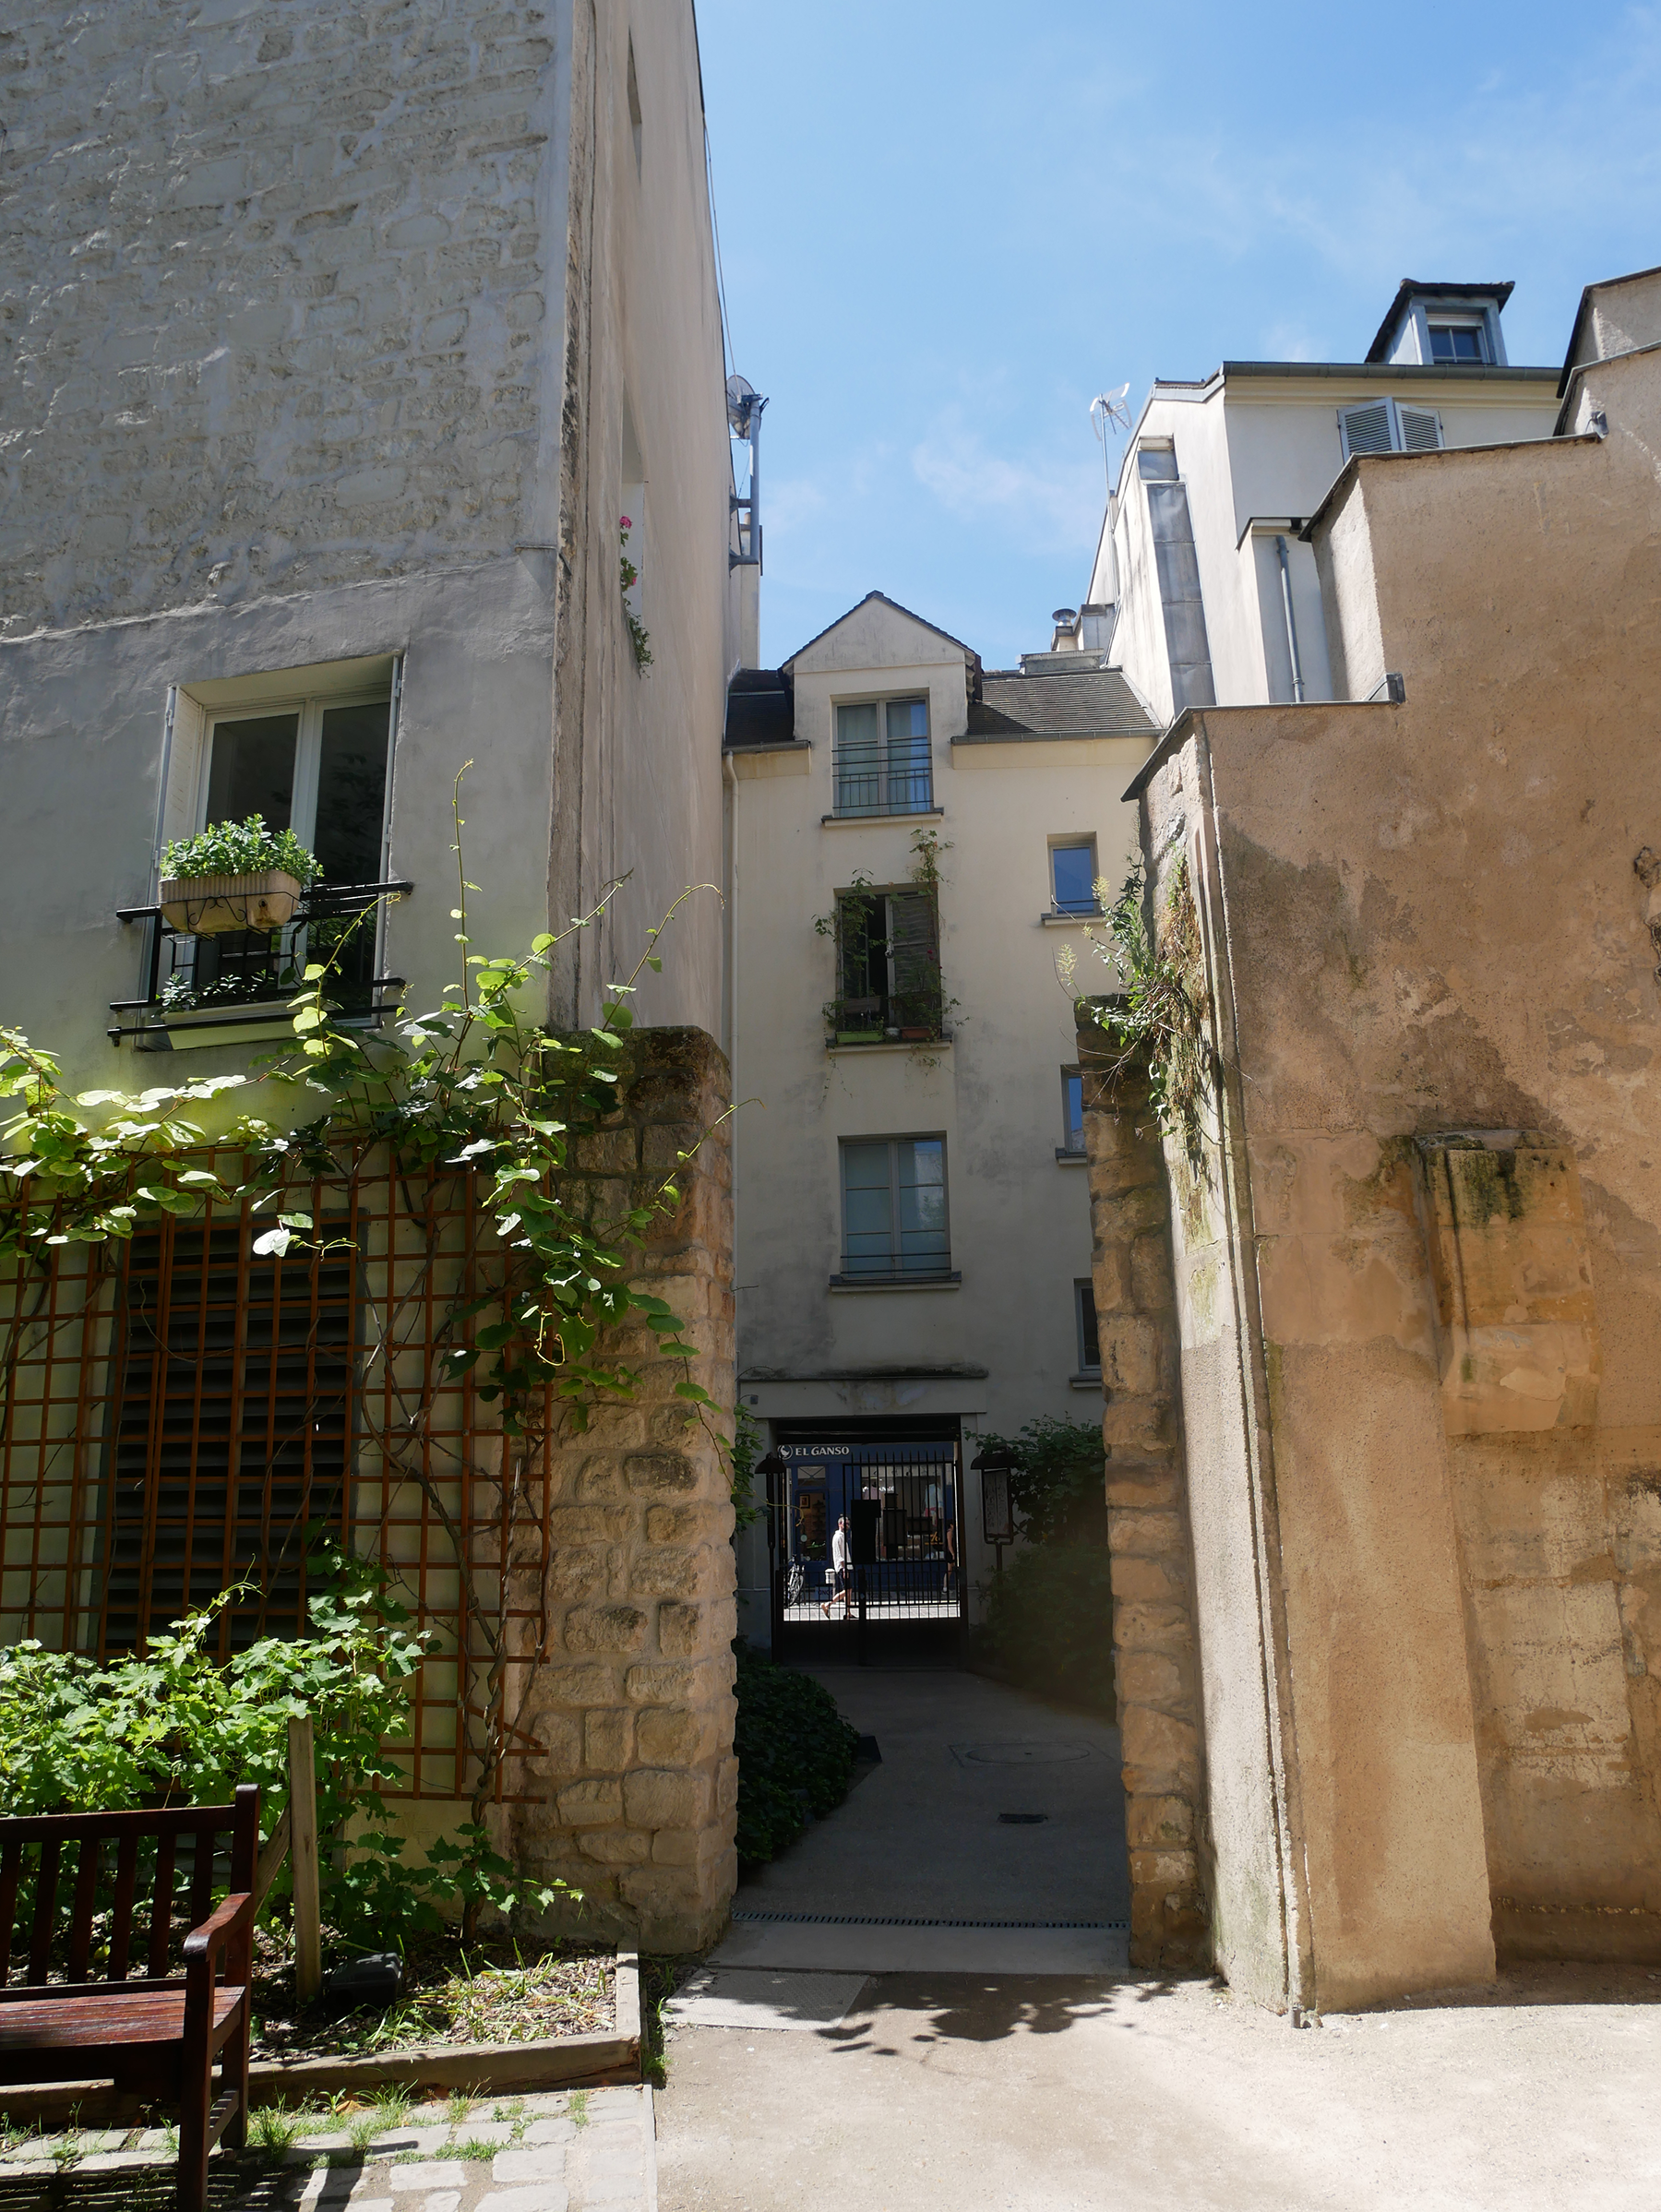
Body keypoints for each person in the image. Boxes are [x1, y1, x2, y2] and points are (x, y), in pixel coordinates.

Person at [821, 1513, 853, 1618]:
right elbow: (839, 1554)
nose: (847, 1525)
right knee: (848, 1590)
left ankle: (848, 1613)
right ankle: (828, 1604)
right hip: (843, 1567)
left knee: (848, 1590)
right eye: (845, 1524)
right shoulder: (838, 1537)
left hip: (845, 1566)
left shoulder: (842, 1536)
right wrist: (844, 1568)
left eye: (848, 1524)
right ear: (839, 1524)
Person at [942, 1514, 958, 1602]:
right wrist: (953, 1554)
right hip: (950, 1554)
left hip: (950, 1553)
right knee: (949, 1570)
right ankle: (945, 1587)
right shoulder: (950, 1532)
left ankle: (946, 1587)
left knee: (951, 1570)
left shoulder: (951, 1532)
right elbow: (949, 1545)